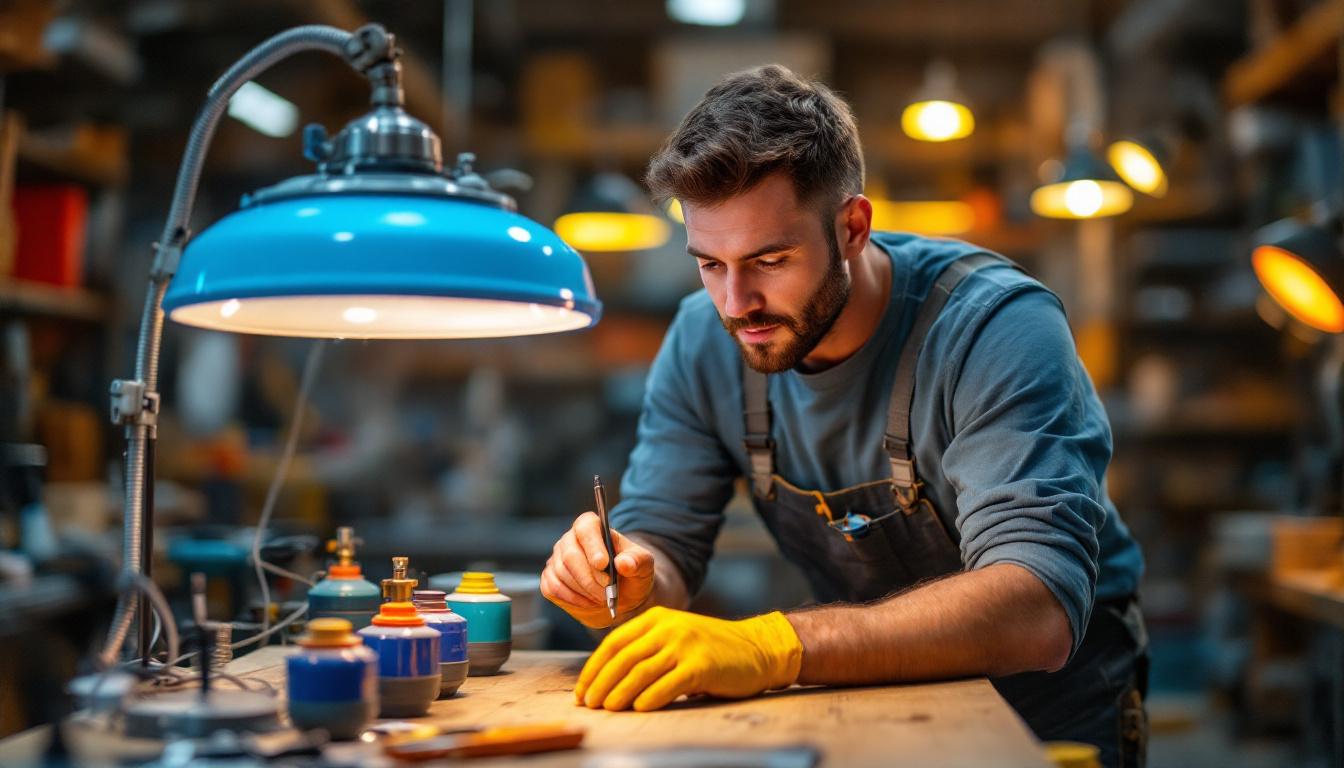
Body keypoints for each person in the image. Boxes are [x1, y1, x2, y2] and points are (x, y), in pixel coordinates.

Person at [540, 64, 1147, 768]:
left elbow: (1037, 607)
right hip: (866, 690)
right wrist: (627, 578)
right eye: (709, 263)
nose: (736, 303)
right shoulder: (704, 341)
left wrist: (773, 644)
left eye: (769, 259)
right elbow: (665, 546)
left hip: (1049, 703)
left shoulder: (995, 328)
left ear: (853, 226)